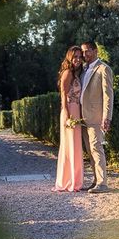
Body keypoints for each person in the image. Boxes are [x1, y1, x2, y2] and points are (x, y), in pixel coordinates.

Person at [80, 41, 114, 193]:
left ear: (95, 51)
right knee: (90, 150)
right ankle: (96, 180)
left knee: (96, 148)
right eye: (83, 51)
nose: (84, 54)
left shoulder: (104, 69)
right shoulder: (83, 70)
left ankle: (102, 183)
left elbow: (108, 95)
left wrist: (107, 117)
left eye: (87, 51)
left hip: (96, 116)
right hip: (82, 118)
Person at [52, 46, 84, 192]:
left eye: (79, 56)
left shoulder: (76, 73)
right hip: (70, 111)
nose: (78, 59)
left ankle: (73, 180)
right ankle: (69, 182)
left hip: (76, 110)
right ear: (69, 58)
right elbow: (63, 94)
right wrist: (67, 114)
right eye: (75, 56)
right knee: (70, 146)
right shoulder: (67, 73)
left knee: (75, 147)